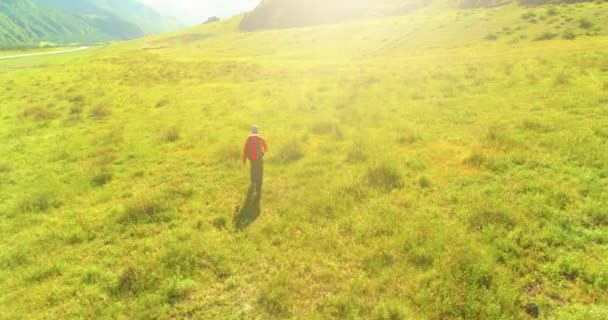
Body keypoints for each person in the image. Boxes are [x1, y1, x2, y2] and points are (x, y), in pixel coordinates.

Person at [242, 126, 268, 195]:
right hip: (259, 158)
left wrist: (244, 160)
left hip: (251, 158)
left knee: (253, 168)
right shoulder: (260, 138)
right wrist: (262, 152)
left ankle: (253, 181)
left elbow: (245, 150)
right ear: (257, 131)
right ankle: (258, 188)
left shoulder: (248, 139)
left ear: (251, 131)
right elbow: (266, 147)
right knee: (260, 171)